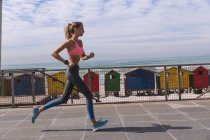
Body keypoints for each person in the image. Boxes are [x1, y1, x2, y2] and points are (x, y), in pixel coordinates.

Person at [31, 21, 108, 132]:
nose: (84, 31)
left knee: (63, 99)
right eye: (82, 28)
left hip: (75, 71)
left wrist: (89, 56)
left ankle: (38, 110)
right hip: (71, 72)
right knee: (89, 95)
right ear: (75, 29)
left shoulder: (80, 42)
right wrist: (66, 62)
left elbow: (82, 57)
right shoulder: (69, 42)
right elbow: (54, 53)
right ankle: (94, 123)